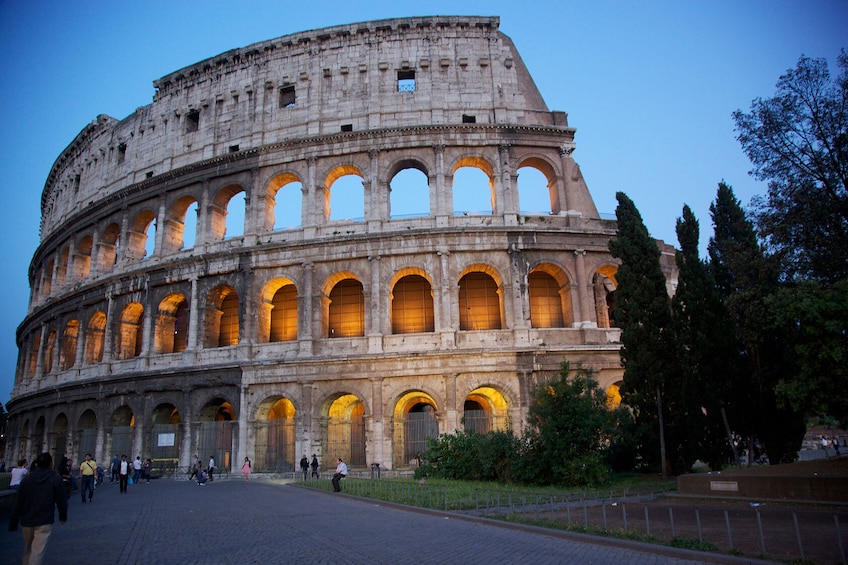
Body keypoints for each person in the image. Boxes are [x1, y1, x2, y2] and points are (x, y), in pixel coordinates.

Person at [8, 452, 68, 565]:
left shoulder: (27, 479)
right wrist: (63, 516)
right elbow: (62, 499)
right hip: (44, 519)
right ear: (51, 463)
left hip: (26, 519)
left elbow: (18, 501)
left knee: (27, 549)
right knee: (37, 551)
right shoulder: (55, 477)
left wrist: (13, 521)